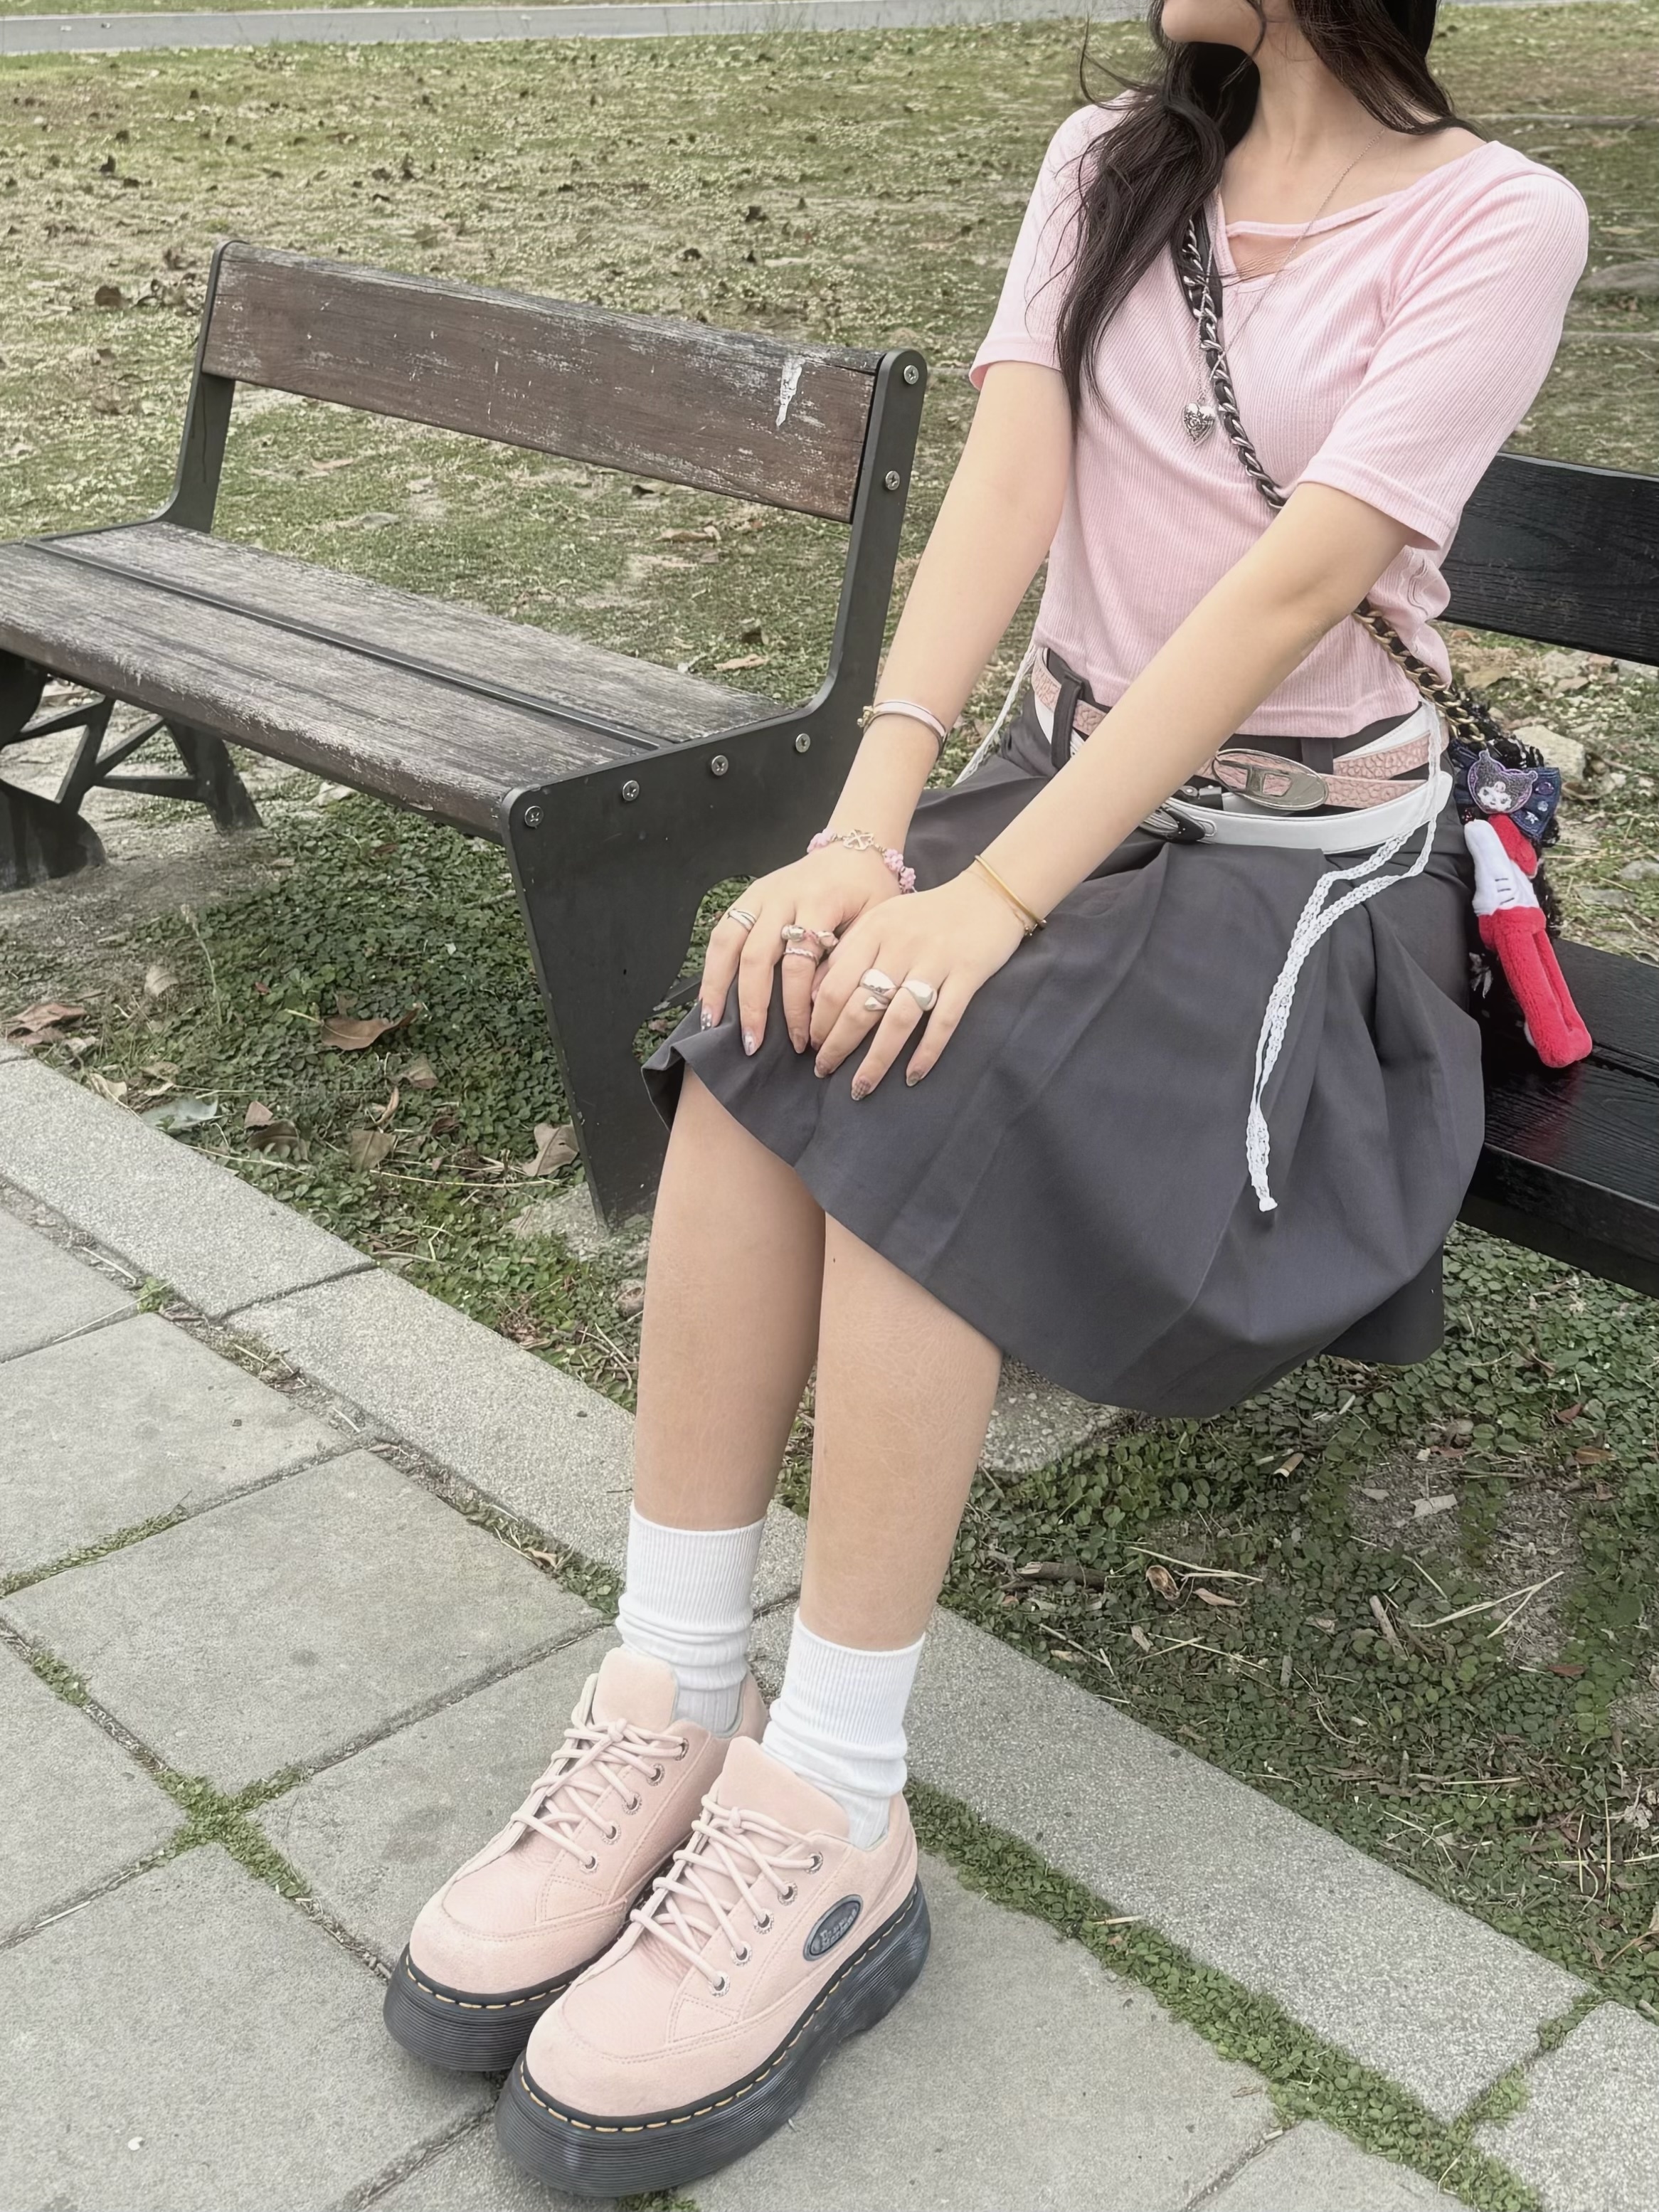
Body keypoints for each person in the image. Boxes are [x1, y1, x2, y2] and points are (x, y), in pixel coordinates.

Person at [384, 1, 1586, 2192]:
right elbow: (1011, 485)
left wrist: (992, 904)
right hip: (1057, 790)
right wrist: (870, 837)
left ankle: (834, 1806)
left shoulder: (1492, 219)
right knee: (768, 1013)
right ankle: (665, 1698)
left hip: (1299, 874)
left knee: (929, 1081)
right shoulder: (1109, 161)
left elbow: (1300, 580)